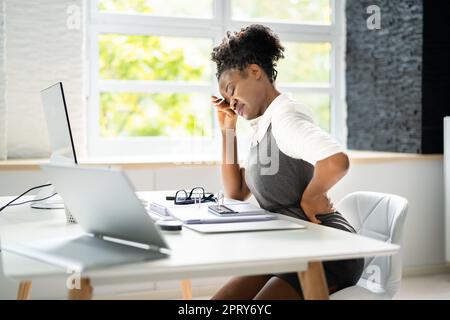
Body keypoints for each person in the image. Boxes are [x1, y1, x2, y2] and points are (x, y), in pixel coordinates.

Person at [210, 24, 364, 300]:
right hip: (287, 247)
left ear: (255, 72)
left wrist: (312, 196)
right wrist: (228, 131)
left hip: (327, 250)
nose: (230, 102)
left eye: (232, 89)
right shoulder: (262, 125)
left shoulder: (286, 119)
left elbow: (336, 161)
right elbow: (236, 192)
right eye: (225, 97)